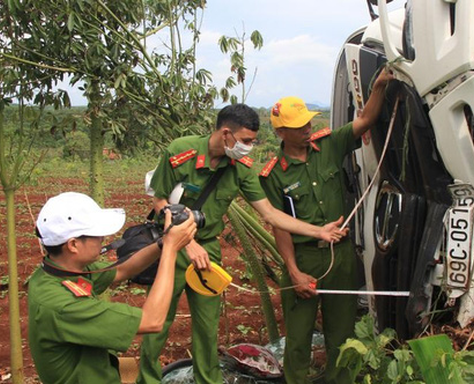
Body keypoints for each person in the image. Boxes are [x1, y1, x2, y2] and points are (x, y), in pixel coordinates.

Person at [137, 103, 348, 384]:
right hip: (171, 246)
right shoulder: (181, 151)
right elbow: (160, 201)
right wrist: (186, 242)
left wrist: (318, 231)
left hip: (208, 250)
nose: (250, 147)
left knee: (207, 325)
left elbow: (270, 213)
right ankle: (147, 380)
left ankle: (207, 380)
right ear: (226, 134)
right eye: (246, 141)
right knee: (158, 322)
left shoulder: (239, 168)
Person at [259, 68, 394, 384]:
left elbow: (365, 121)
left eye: (308, 121)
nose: (307, 128)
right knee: (298, 338)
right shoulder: (272, 174)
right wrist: (293, 272)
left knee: (342, 332)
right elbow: (280, 227)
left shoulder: (330, 144)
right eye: (298, 126)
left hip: (340, 256)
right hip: (304, 260)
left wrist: (378, 87)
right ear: (280, 132)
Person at [28, 191, 197, 384]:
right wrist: (171, 250)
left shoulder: (59, 271)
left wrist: (162, 243)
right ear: (73, 244)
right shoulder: (61, 306)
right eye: (97, 235)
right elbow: (152, 321)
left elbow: (122, 270)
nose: (103, 239)